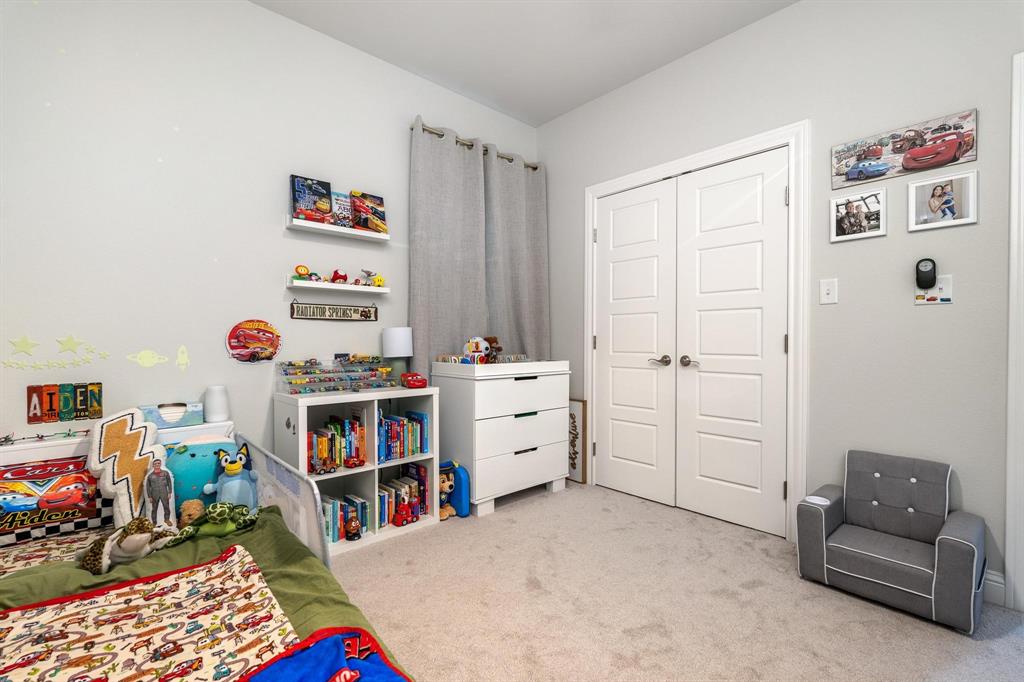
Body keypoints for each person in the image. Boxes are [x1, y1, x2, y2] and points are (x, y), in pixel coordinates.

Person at [145, 458, 173, 526]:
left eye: (158, 463)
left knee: (166, 507)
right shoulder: (150, 476)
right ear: (153, 465)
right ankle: (154, 522)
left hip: (164, 493)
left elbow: (169, 483)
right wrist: (149, 497)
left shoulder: (165, 473)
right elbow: (148, 487)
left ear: (160, 464)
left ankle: (167, 519)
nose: (157, 465)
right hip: (154, 494)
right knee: (154, 509)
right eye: (155, 464)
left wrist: (169, 492)